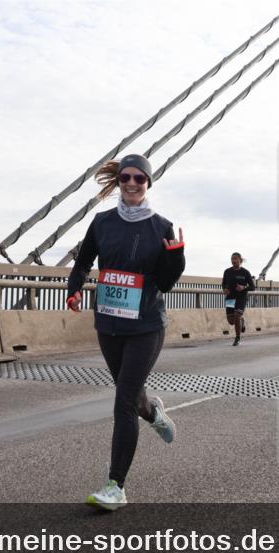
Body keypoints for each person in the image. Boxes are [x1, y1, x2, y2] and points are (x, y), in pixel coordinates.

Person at [66, 153, 185, 511]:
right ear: (119, 182)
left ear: (148, 184)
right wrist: (73, 288)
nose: (132, 184)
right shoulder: (102, 223)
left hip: (146, 325)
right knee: (131, 396)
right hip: (109, 323)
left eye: (140, 179)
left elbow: (164, 283)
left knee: (122, 400)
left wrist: (176, 257)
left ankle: (116, 486)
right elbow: (84, 261)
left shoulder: (161, 226)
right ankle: (154, 414)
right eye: (126, 178)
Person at [222, 252, 254, 346]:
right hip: (230, 298)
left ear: (240, 260)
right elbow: (223, 284)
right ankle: (241, 322)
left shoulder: (245, 272)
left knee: (236, 316)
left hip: (241, 297)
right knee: (231, 321)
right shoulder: (227, 271)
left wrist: (243, 288)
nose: (233, 261)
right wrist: (225, 289)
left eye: (235, 259)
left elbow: (252, 287)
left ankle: (237, 338)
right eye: (232, 259)